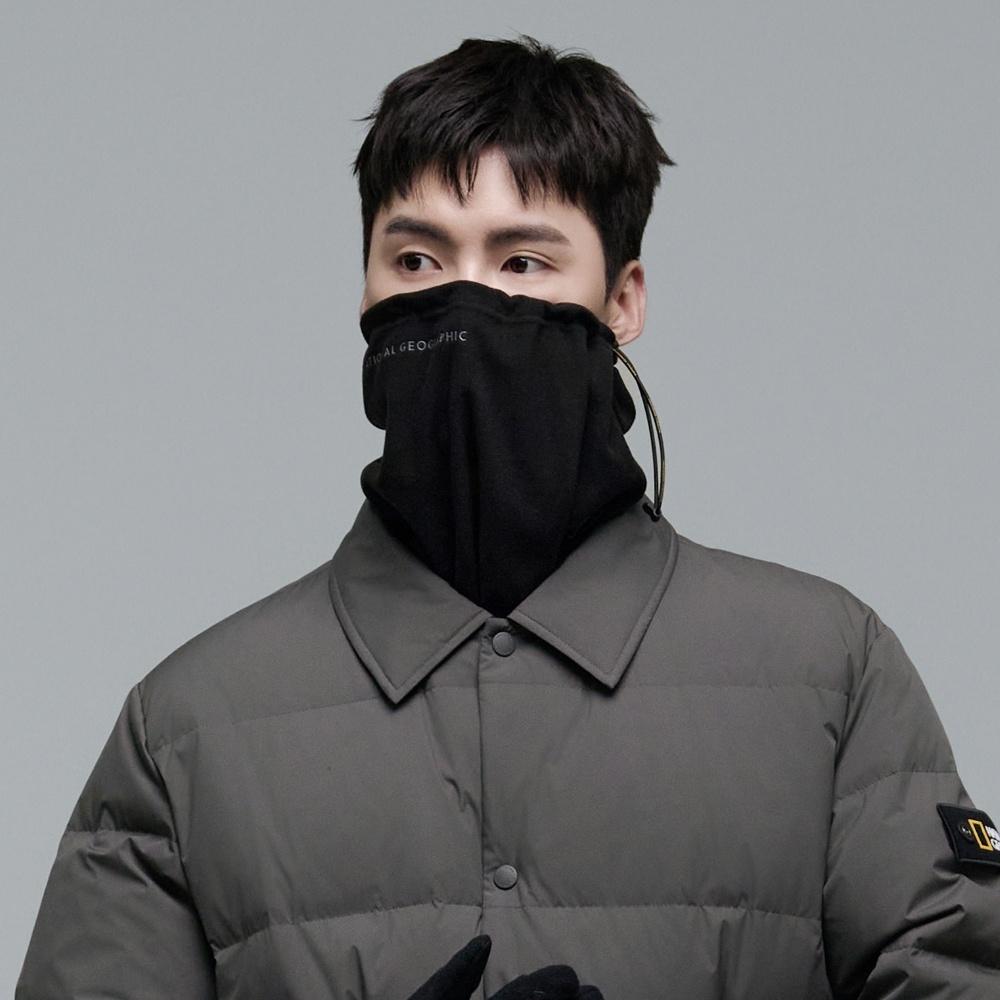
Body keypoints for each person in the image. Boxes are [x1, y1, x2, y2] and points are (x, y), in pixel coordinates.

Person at [16, 32, 1000, 1000]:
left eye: (522, 261)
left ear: (622, 300)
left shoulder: (832, 675)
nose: (464, 299)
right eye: (415, 259)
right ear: (364, 291)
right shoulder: (184, 729)